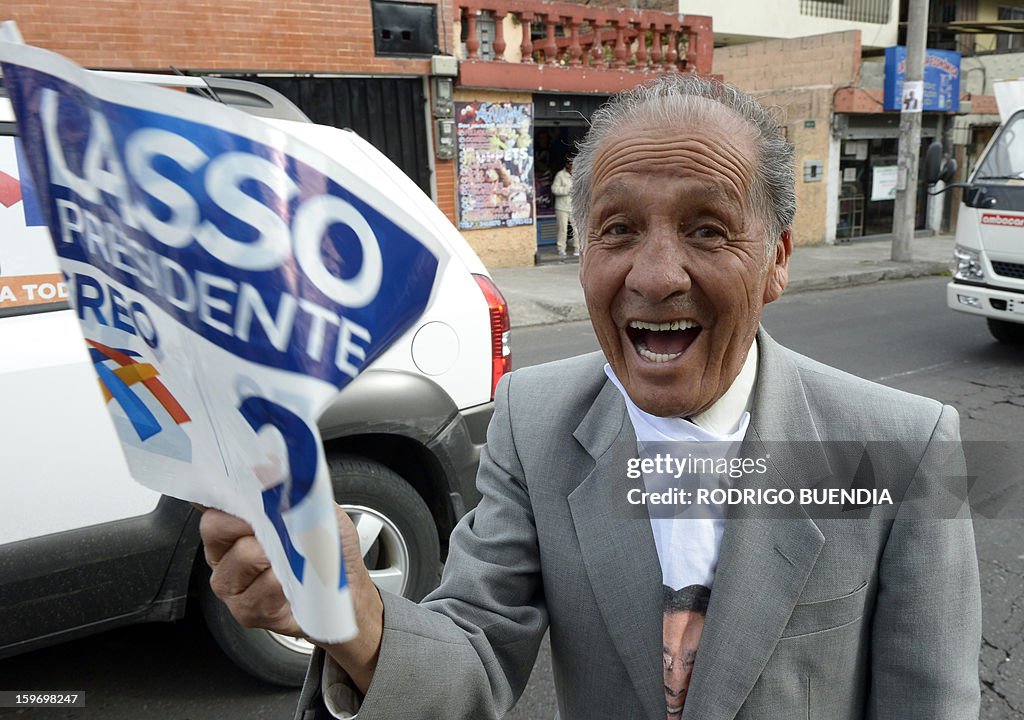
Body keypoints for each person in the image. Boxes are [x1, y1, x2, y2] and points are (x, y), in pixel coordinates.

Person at [201, 74, 981, 720]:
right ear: (584, 255)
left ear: (777, 259)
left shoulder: (902, 446)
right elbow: (473, 652)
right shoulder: (535, 422)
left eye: (708, 230)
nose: (654, 275)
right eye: (618, 230)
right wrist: (353, 611)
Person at [551, 158, 577, 257]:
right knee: (563, 229)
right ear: (566, 165)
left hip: (574, 207)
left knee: (577, 230)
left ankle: (577, 248)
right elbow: (554, 189)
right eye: (570, 164)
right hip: (562, 207)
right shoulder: (560, 175)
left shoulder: (577, 174)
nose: (572, 167)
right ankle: (561, 248)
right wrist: (568, 190)